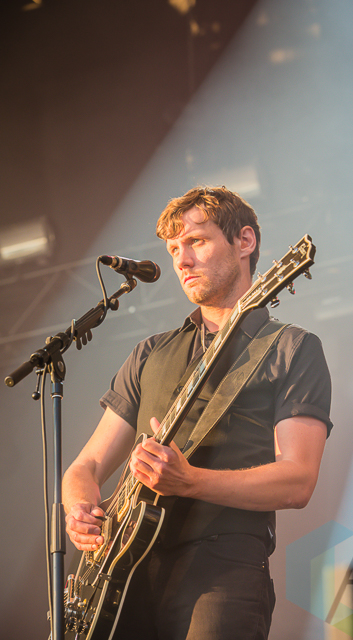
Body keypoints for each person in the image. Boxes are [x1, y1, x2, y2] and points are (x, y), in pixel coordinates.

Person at [63, 186, 332, 640]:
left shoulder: (292, 348)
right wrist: (81, 510)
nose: (182, 261)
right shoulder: (150, 353)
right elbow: (85, 466)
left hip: (222, 572)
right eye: (173, 249)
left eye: (197, 241)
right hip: (122, 576)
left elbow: (298, 480)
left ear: (244, 241)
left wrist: (190, 481)